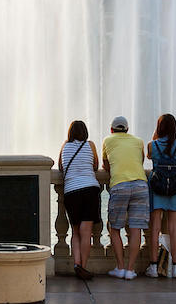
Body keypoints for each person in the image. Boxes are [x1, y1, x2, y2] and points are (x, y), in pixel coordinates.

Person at [101, 116, 149, 280]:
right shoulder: (138, 141)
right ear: (127, 129)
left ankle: (120, 267)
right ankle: (130, 270)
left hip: (119, 184)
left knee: (114, 228)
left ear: (112, 130)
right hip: (140, 185)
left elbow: (106, 165)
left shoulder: (107, 140)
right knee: (136, 229)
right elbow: (140, 161)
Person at [58, 120, 101, 280]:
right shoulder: (90, 145)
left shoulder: (65, 146)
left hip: (71, 192)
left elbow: (61, 167)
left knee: (75, 231)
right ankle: (83, 266)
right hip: (90, 189)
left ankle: (77, 264)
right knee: (86, 232)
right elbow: (96, 166)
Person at [145, 113, 176, 279]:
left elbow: (149, 156)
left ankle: (154, 267)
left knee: (155, 228)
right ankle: (175, 268)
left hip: (157, 187)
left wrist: (156, 135)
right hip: (175, 188)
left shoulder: (151, 145)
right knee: (174, 229)